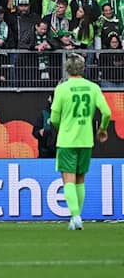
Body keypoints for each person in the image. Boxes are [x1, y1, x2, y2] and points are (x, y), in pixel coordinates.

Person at [50, 53, 112, 230]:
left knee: (68, 179)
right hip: (86, 140)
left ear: (66, 69)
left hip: (67, 140)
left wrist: (62, 127)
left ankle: (75, 216)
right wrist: (102, 129)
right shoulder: (93, 87)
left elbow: (54, 118)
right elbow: (107, 112)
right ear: (83, 68)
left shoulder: (62, 89)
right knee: (80, 179)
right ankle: (76, 217)